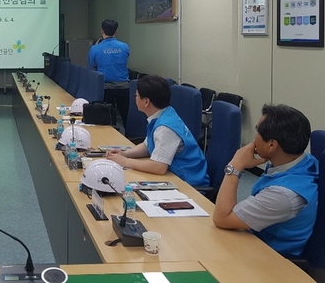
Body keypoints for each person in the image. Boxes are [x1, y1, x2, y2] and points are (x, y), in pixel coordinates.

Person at [213, 104, 318, 256]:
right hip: (257, 237)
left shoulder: (283, 195)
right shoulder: (304, 160)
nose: (254, 138)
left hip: (270, 258)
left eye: (257, 131)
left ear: (272, 145)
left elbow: (222, 219)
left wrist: (234, 166)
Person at [106, 75, 209, 187]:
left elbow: (159, 167)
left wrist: (125, 162)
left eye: (136, 95)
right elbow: (147, 146)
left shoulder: (165, 128)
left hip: (189, 184)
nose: (135, 98)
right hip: (174, 175)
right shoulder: (163, 114)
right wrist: (124, 154)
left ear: (146, 102)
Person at [88, 19, 130, 126]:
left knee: (108, 118)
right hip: (124, 86)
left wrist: (97, 47)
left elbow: (92, 65)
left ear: (102, 31)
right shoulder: (124, 46)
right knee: (126, 115)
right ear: (116, 31)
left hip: (105, 88)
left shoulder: (95, 48)